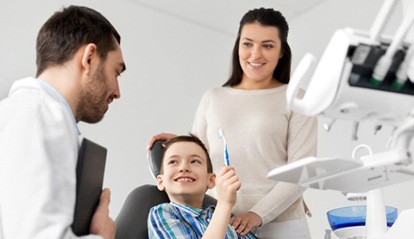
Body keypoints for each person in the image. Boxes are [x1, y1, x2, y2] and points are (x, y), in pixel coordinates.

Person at [148, 8, 316, 239]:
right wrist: (179, 143)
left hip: (282, 225)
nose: (255, 54)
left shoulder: (296, 99)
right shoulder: (213, 98)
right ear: (238, 46)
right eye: (247, 44)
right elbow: (202, 159)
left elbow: (302, 172)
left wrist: (258, 214)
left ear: (281, 52)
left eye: (267, 45)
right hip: (224, 223)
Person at [0, 5, 126, 239]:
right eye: (116, 72)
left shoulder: (33, 115)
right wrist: (102, 236)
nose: (117, 92)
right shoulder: (37, 115)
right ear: (89, 58)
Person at [147, 134, 257, 239]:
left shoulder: (220, 215)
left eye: (194, 161)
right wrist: (224, 204)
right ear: (161, 181)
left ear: (211, 180)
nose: (184, 167)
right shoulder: (163, 213)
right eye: (173, 162)